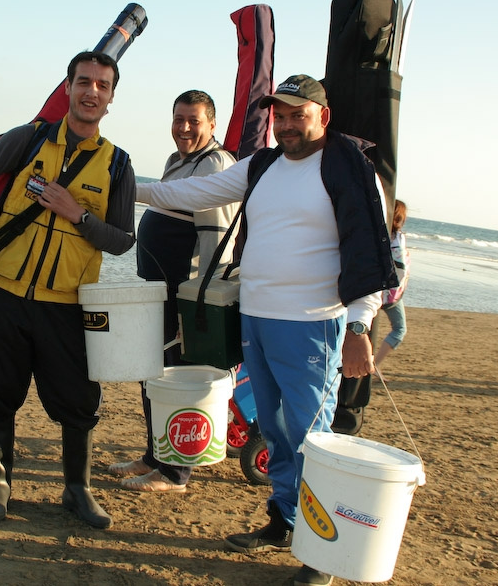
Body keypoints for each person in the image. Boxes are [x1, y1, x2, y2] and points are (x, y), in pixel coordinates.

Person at [136, 75, 396, 586]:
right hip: (255, 318)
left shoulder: (349, 169)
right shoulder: (262, 164)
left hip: (313, 325)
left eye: (299, 114)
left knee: (310, 437)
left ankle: (321, 552)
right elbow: (190, 191)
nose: (287, 125)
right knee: (273, 431)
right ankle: (283, 521)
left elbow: (369, 250)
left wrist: (359, 326)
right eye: (280, 115)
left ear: (323, 116)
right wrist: (120, 186)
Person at [0, 51, 136, 530]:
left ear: (111, 97)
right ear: (68, 87)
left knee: (77, 402)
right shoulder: (28, 139)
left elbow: (122, 240)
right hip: (4, 296)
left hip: (67, 306)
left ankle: (77, 489)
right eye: (83, 81)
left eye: (102, 85)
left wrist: (78, 215)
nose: (91, 91)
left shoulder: (118, 164)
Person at [108, 90, 239, 493]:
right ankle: (155, 455)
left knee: (176, 378)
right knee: (152, 375)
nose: (184, 128)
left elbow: (216, 241)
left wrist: (196, 306)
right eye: (178, 119)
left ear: (212, 125)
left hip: (184, 298)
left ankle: (174, 473)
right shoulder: (176, 161)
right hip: (158, 291)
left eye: (193, 121)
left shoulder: (216, 164)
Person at [374, 199, 410, 368]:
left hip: (373, 290)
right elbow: (400, 268)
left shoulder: (376, 233)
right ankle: (374, 365)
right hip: (390, 293)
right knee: (399, 329)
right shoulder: (397, 239)